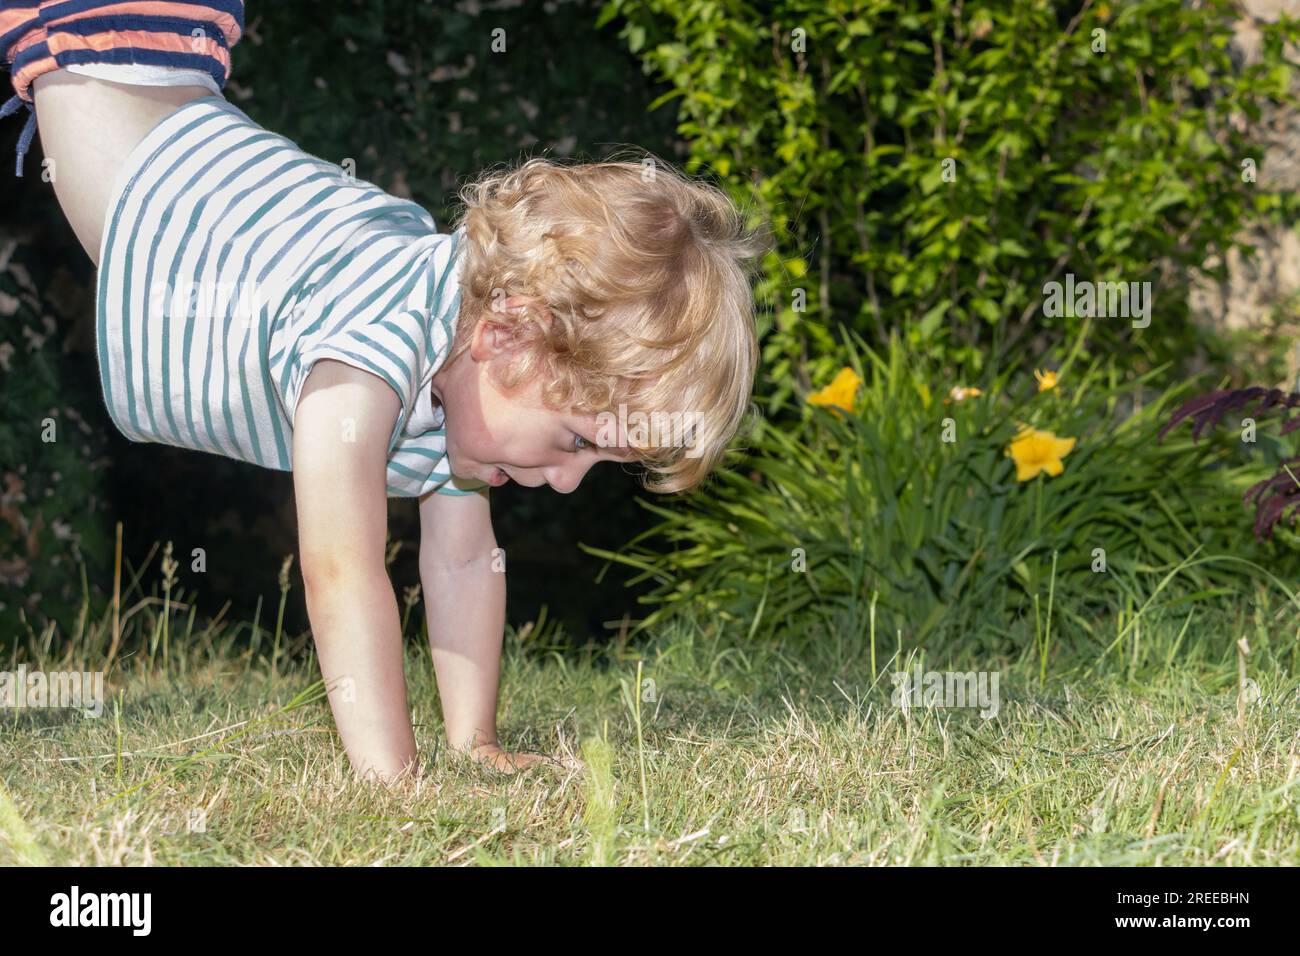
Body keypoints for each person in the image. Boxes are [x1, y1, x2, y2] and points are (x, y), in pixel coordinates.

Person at [1, 0, 771, 783]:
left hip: (175, 68)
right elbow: (340, 565)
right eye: (578, 439)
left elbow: (467, 563)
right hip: (111, 44)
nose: (569, 480)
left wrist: (476, 743)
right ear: (507, 336)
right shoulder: (370, 343)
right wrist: (392, 779)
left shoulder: (466, 373)